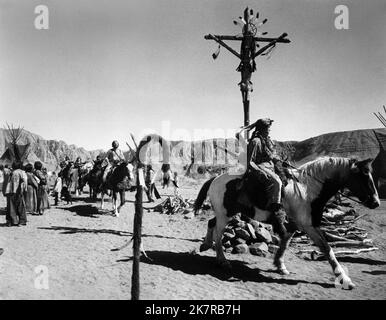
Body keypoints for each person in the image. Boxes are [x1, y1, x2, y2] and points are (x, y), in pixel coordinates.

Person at [240, 118, 288, 236]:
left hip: (270, 166)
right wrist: (260, 171)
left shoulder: (268, 141)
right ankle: (275, 210)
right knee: (277, 182)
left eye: (269, 129)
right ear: (261, 129)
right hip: (259, 168)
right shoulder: (255, 142)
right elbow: (249, 162)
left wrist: (278, 160)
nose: (269, 131)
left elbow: (271, 156)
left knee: (288, 177)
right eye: (267, 129)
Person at [4, 162, 27, 226]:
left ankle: (13, 221)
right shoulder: (22, 172)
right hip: (20, 191)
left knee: (11, 206)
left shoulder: (14, 173)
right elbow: (24, 181)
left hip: (13, 191)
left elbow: (14, 182)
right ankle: (22, 220)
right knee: (21, 206)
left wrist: (13, 191)